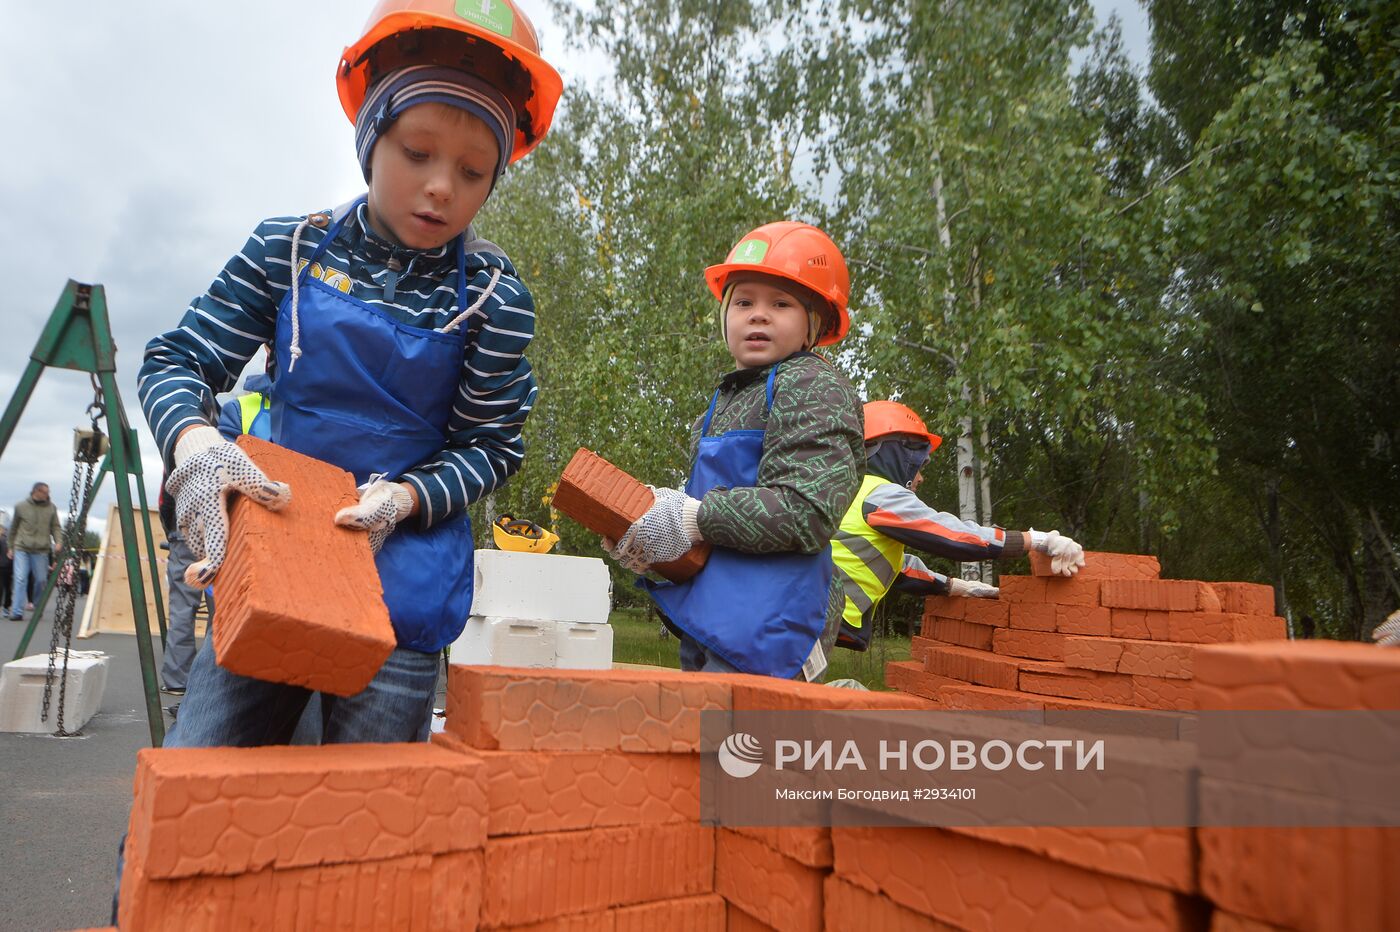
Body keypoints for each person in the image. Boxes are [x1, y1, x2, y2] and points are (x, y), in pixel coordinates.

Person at [133, 0, 561, 749]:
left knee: (364, 833)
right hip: (278, 563)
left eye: (472, 171)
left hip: (404, 587)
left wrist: (407, 495)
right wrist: (197, 446)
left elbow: (492, 446)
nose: (440, 188)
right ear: (371, 139)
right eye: (417, 152)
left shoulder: (497, 300)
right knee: (198, 791)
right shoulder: (288, 249)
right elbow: (176, 359)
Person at [609, 222, 864, 681]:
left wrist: (690, 518)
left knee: (746, 745)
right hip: (716, 612)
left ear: (818, 322)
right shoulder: (726, 399)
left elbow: (807, 510)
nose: (758, 315)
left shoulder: (813, 385)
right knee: (702, 743)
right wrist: (656, 542)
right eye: (743, 302)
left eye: (781, 303)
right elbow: (706, 515)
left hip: (776, 621)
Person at [830, 400, 1087, 651]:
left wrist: (956, 586)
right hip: (810, 614)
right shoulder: (880, 495)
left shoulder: (848, 492)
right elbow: (953, 535)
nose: (920, 477)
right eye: (918, 465)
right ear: (897, 455)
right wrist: (1038, 540)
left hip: (805, 613)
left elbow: (897, 569)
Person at [7, 482, 61, 621]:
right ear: (36, 492)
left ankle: (38, 606)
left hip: (41, 549)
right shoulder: (21, 507)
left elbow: (55, 527)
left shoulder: (51, 508)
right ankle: (17, 611)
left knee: (41, 580)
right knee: (20, 578)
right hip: (22, 547)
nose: (48, 495)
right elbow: (13, 528)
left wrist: (58, 541)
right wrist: (10, 547)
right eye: (45, 492)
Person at [0, 526, 13, 618]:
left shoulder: (5, 540)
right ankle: (6, 607)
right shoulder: (8, 540)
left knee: (4, 588)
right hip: (8, 566)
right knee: (7, 588)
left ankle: (6, 607)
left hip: (5, 566)